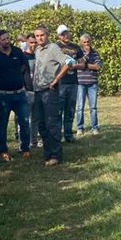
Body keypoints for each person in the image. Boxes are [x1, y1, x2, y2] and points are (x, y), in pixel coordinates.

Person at [32, 26, 70, 167]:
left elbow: (67, 64)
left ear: (47, 35)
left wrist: (56, 79)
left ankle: (56, 155)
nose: (39, 38)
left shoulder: (53, 48)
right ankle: (47, 153)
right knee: (42, 124)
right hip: (38, 91)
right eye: (37, 36)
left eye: (42, 35)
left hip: (50, 91)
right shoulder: (37, 50)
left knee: (51, 123)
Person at [0, 30, 31, 161]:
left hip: (19, 94)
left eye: (8, 38)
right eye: (3, 39)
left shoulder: (17, 52)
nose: (6, 41)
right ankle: (3, 150)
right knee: (2, 124)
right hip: (3, 95)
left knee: (25, 122)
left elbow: (23, 66)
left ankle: (25, 148)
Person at [55, 24, 82, 142]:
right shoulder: (55, 47)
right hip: (60, 82)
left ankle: (68, 135)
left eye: (66, 33)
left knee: (70, 110)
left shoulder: (76, 47)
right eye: (62, 34)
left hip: (73, 82)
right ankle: (57, 135)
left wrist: (75, 65)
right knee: (58, 110)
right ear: (58, 36)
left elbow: (82, 62)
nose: (65, 35)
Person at [73, 33, 102, 136]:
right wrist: (87, 59)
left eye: (88, 41)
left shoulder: (95, 53)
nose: (86, 44)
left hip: (92, 83)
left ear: (91, 41)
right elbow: (76, 65)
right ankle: (79, 128)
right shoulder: (77, 53)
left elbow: (98, 67)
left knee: (93, 107)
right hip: (80, 83)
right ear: (81, 43)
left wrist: (84, 65)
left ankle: (95, 127)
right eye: (84, 42)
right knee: (80, 107)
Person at [22, 34, 39, 148]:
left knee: (36, 118)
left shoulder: (39, 55)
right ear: (27, 43)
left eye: (35, 42)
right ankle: (25, 142)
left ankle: (34, 141)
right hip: (27, 90)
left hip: (38, 89)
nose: (33, 45)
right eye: (31, 42)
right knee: (25, 118)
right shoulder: (23, 57)